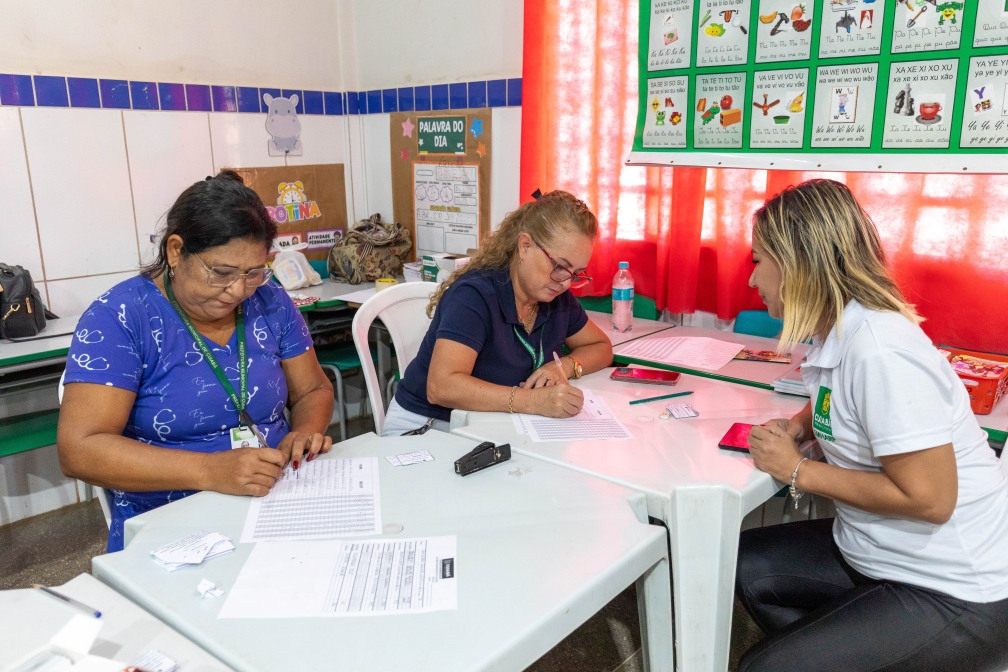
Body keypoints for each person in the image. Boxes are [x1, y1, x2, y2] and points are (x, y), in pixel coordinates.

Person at [738, 179, 1008, 671]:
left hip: (957, 587)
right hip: (877, 554)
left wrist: (797, 469)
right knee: (745, 565)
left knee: (764, 667)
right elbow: (842, 404)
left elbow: (930, 498)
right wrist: (801, 426)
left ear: (798, 263)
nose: (752, 279)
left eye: (758, 260)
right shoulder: (838, 327)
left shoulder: (882, 350)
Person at [58, 171, 335, 552]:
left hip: (274, 499)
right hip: (168, 520)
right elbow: (79, 449)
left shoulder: (268, 300)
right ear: (175, 251)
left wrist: (303, 432)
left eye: (253, 272)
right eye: (221, 272)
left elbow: (313, 389)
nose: (238, 290)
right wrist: (208, 471)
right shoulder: (122, 316)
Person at [384, 190, 613, 436]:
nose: (566, 282)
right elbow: (442, 387)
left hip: (492, 423)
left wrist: (562, 368)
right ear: (525, 246)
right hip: (428, 426)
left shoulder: (555, 296)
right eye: (559, 266)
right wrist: (533, 401)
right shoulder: (474, 296)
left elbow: (601, 347)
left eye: (576, 273)